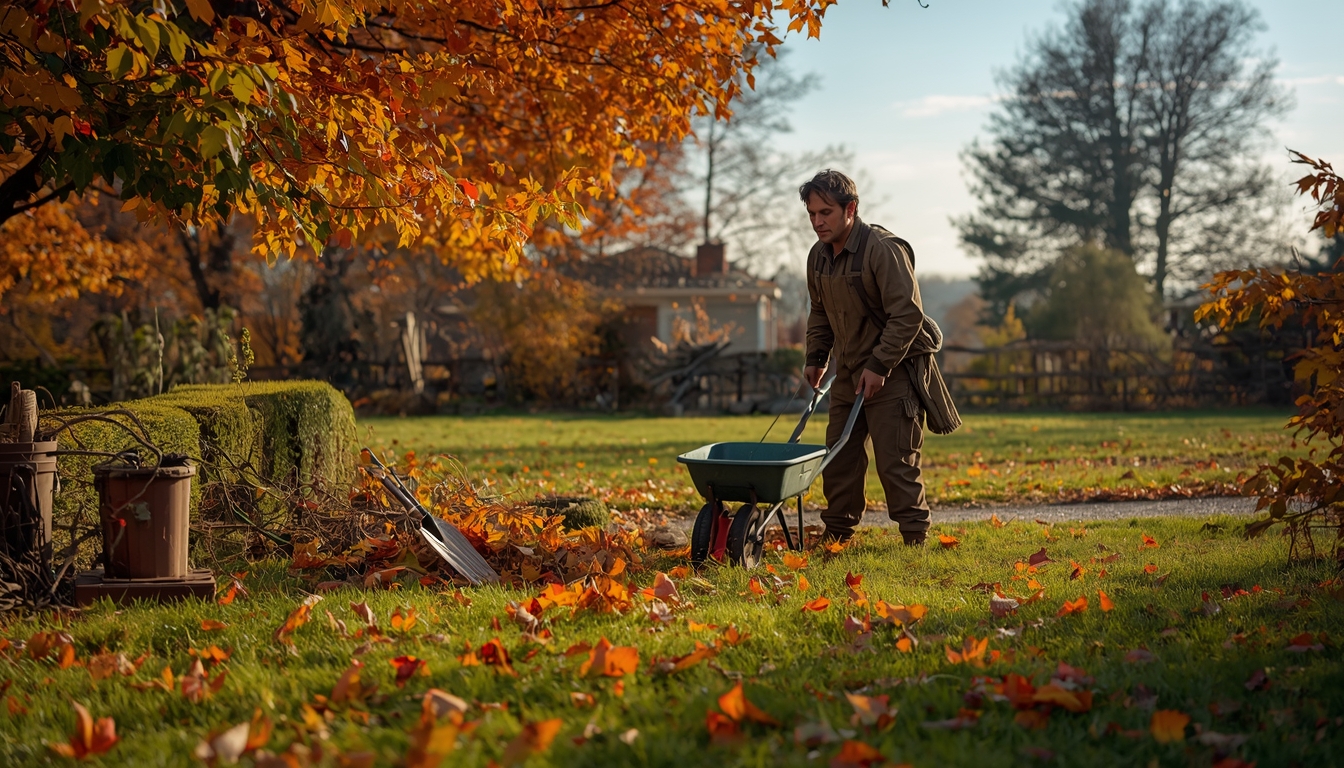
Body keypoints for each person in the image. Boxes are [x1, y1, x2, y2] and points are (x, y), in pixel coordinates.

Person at [799, 170, 960, 545]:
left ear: (850, 208)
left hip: (894, 373)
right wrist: (816, 356)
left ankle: (914, 538)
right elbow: (819, 311)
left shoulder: (883, 250)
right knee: (838, 458)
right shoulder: (818, 257)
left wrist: (879, 366)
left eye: (826, 213)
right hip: (848, 374)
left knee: (896, 463)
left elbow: (907, 315)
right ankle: (837, 534)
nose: (818, 222)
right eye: (812, 214)